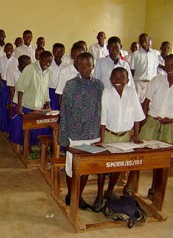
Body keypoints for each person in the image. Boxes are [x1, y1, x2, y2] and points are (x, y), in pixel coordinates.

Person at [92, 67, 145, 212]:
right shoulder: (107, 93)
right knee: (104, 167)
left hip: (125, 137)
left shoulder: (131, 92)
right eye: (114, 77)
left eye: (122, 78)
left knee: (118, 165)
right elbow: (102, 118)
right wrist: (102, 139)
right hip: (109, 134)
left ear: (128, 80)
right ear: (110, 80)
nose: (118, 81)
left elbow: (137, 115)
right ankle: (99, 195)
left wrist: (136, 135)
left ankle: (109, 191)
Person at [124, 54, 173, 198]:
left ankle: (155, 189)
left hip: (170, 125)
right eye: (167, 65)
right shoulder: (157, 81)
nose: (170, 68)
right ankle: (130, 186)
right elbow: (145, 104)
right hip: (153, 121)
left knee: (163, 160)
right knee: (140, 154)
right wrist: (141, 126)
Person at [59, 52, 103, 209]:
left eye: (89, 65)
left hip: (92, 135)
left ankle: (78, 195)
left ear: (93, 66)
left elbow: (100, 110)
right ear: (77, 66)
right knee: (72, 168)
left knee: (86, 168)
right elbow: (64, 112)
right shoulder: (70, 85)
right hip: (74, 135)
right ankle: (72, 195)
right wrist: (64, 138)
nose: (85, 68)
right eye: (82, 65)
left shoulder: (98, 85)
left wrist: (100, 135)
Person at [9, 51, 52, 146]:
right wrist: (19, 105)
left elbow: (45, 89)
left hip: (36, 106)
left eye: (50, 62)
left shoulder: (48, 71)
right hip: (25, 104)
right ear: (40, 58)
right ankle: (23, 149)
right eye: (45, 61)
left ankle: (28, 148)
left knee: (33, 131)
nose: (47, 64)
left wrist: (47, 103)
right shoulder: (30, 69)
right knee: (21, 132)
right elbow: (20, 88)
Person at [0, 43, 17, 132]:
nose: (9, 50)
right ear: (5, 50)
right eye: (7, 49)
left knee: (8, 103)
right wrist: (1, 84)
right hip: (1, 82)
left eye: (11, 49)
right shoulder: (0, 60)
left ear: (13, 50)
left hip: (11, 84)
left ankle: (8, 123)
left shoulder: (15, 61)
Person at [130, 33, 159, 103]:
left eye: (145, 39)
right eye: (141, 39)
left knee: (150, 103)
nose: (143, 41)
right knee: (138, 103)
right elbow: (132, 70)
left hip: (151, 82)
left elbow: (156, 67)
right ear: (139, 41)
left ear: (149, 40)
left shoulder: (155, 54)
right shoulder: (135, 54)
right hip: (139, 83)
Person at [55, 43, 85, 107]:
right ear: (72, 56)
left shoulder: (87, 72)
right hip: (70, 108)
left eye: (81, 56)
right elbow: (61, 94)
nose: (78, 59)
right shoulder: (65, 72)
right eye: (76, 56)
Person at [48, 43, 66, 110]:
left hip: (62, 91)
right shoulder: (49, 65)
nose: (57, 53)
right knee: (52, 111)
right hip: (51, 91)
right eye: (55, 51)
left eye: (60, 51)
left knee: (61, 110)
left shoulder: (66, 66)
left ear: (63, 52)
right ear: (53, 52)